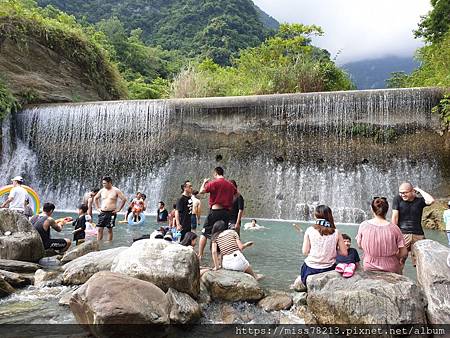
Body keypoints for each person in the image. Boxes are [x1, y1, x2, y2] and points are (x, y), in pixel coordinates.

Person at [300, 205, 348, 286]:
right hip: (329, 269)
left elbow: (305, 252)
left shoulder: (309, 230)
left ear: (316, 216)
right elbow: (344, 253)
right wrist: (332, 249)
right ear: (330, 216)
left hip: (310, 269)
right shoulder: (336, 232)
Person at [358, 197, 408, 274]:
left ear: (372, 209)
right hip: (391, 267)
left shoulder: (363, 225)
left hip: (369, 266)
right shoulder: (394, 228)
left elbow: (359, 245)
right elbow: (404, 252)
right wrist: (394, 257)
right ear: (387, 210)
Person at [391, 182, 435, 270]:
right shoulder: (397, 199)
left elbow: (431, 200)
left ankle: (422, 282)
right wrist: (393, 234)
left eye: (405, 192)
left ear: (412, 191)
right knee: (399, 260)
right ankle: (399, 281)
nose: (402, 195)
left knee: (421, 262)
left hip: (418, 235)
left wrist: (419, 190)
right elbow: (394, 217)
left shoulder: (420, 201)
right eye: (401, 192)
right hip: (403, 234)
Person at [198, 167, 237, 260]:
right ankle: (222, 256)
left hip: (215, 211)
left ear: (215, 173)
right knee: (223, 233)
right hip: (226, 212)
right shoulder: (230, 184)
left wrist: (204, 182)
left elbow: (201, 191)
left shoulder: (214, 183)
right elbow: (237, 194)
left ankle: (200, 255)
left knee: (205, 232)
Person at [94, 176, 127, 241]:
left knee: (109, 229)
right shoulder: (102, 190)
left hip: (111, 213)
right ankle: (98, 243)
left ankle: (109, 244)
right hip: (102, 212)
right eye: (103, 183)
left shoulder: (116, 190)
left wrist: (118, 209)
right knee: (99, 229)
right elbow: (95, 198)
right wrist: (97, 207)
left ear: (109, 182)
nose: (103, 185)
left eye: (104, 183)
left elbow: (124, 199)